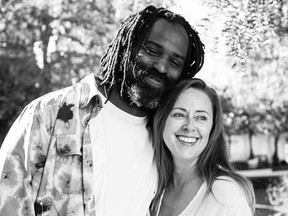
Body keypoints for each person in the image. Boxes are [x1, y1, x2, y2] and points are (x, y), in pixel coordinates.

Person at [0, 5, 205, 216]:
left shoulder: (165, 137)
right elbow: (8, 200)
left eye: (174, 62)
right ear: (127, 47)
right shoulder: (49, 114)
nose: (162, 67)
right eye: (152, 51)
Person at [148, 78, 255, 216]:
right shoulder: (151, 186)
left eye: (201, 117)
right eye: (179, 114)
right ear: (162, 121)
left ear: (212, 129)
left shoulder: (225, 195)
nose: (189, 126)